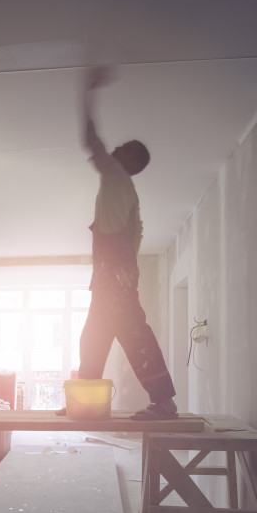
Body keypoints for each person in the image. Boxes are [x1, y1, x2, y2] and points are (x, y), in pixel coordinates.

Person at [69, 65, 178, 420]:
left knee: (133, 334)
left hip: (114, 272)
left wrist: (88, 90)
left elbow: (90, 139)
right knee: (94, 336)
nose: (117, 147)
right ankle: (85, 402)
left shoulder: (116, 176)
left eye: (126, 148)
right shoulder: (123, 192)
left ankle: (164, 403)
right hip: (111, 273)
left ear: (131, 163)